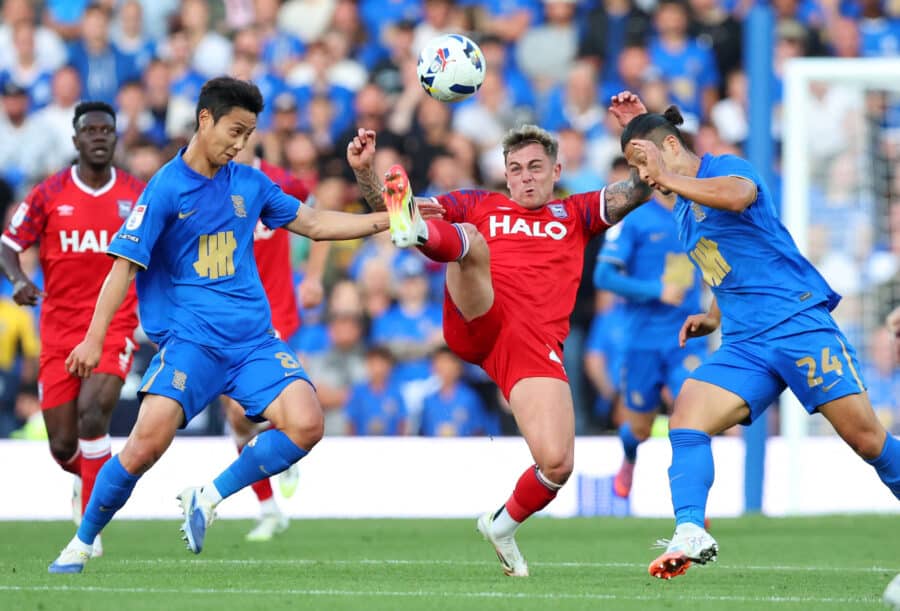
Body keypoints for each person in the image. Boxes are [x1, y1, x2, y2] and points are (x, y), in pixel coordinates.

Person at [48, 76, 431, 574]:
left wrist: (390, 218)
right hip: (191, 344)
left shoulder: (249, 184)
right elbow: (123, 264)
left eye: (248, 134)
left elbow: (315, 224)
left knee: (307, 423)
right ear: (204, 120)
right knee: (144, 447)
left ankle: (208, 496)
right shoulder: (165, 188)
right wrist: (95, 338)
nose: (239, 143)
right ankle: (81, 542)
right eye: (234, 130)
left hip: (252, 341)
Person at [346, 94, 653, 577]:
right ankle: (422, 235)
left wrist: (641, 130)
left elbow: (640, 186)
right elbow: (390, 208)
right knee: (472, 240)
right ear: (505, 174)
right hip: (476, 317)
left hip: (531, 349)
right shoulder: (479, 202)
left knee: (557, 464)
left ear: (556, 171)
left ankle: (502, 524)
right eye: (516, 168)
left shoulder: (576, 214)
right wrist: (368, 175)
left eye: (535, 167)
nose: (525, 176)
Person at [618, 99, 900, 579]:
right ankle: (690, 529)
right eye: (634, 167)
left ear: (670, 145)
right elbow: (726, 268)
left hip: (796, 323)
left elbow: (737, 197)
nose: (642, 176)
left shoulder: (724, 167)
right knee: (688, 414)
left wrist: (665, 172)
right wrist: (711, 317)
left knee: (866, 439)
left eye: (642, 162)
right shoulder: (684, 212)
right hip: (746, 342)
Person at [0, 101, 144, 557]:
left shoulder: (138, 195)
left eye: (107, 129)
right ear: (76, 139)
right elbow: (8, 243)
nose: (100, 136)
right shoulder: (49, 193)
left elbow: (166, 248)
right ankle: (88, 481)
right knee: (63, 444)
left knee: (92, 413)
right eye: (91, 130)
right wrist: (20, 280)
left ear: (116, 137)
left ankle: (90, 526)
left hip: (115, 323)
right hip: (59, 329)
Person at [220, 140, 331, 542]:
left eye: (243, 131)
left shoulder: (279, 180)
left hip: (274, 311)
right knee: (235, 415)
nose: (235, 141)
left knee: (257, 407)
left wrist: (314, 276)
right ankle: (268, 504)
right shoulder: (207, 181)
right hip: (226, 315)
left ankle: (286, 444)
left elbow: (319, 217)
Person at [593, 189, 706, 498]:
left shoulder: (701, 213)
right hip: (642, 342)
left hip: (686, 339)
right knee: (639, 429)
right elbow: (602, 277)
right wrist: (656, 290)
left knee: (692, 415)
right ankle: (629, 455)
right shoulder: (635, 219)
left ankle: (693, 509)